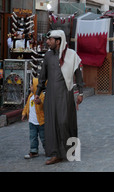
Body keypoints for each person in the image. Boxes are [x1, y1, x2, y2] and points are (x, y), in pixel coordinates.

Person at [34, 30, 84, 165]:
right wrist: (38, 93)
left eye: (50, 39)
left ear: (58, 41)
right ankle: (56, 154)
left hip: (65, 95)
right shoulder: (48, 56)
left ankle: (70, 150)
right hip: (50, 95)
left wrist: (80, 92)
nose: (47, 41)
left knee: (64, 122)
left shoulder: (71, 55)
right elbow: (42, 76)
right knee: (51, 124)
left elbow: (77, 74)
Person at [22, 78, 45, 160]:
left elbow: (43, 105)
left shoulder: (42, 95)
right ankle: (34, 151)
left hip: (41, 122)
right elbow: (27, 106)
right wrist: (24, 113)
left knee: (44, 137)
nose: (30, 87)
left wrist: (39, 102)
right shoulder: (30, 96)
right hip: (32, 122)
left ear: (36, 86)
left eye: (31, 85)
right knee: (33, 137)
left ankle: (48, 149)